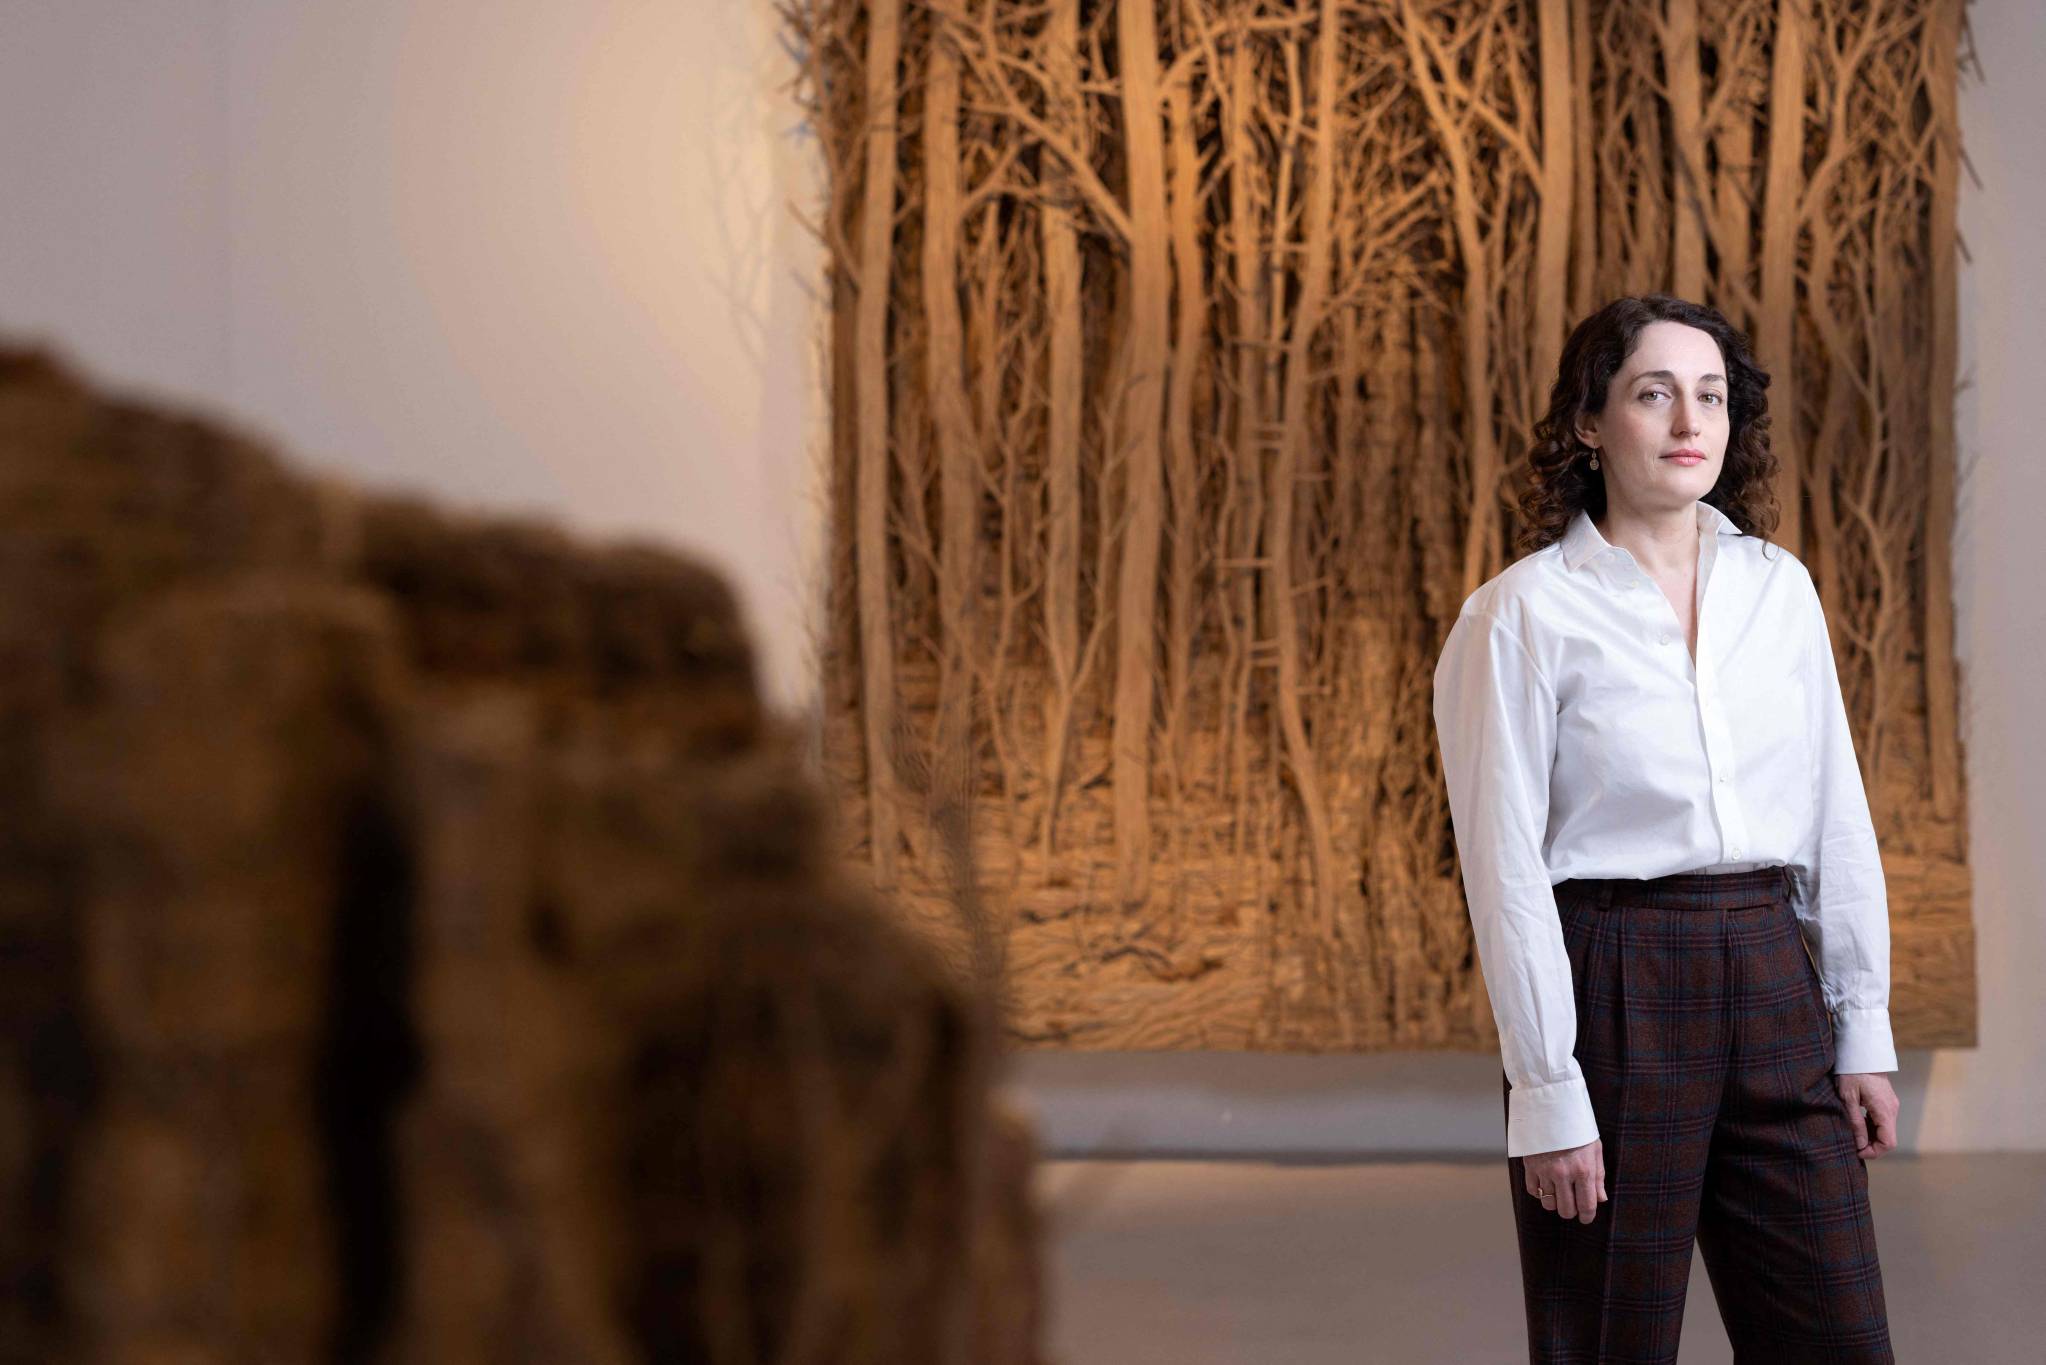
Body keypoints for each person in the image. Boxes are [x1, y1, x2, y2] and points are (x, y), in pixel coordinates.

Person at [1431, 294, 1900, 1363]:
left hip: (1775, 978)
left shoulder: (1779, 591)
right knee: (1612, 1341)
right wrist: (1548, 1091)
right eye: (1654, 393)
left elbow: (1836, 819)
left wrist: (1861, 1027)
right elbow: (1504, 873)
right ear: (1590, 422)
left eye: (1712, 396)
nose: (1690, 421)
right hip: (1615, 979)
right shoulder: (1520, 614)